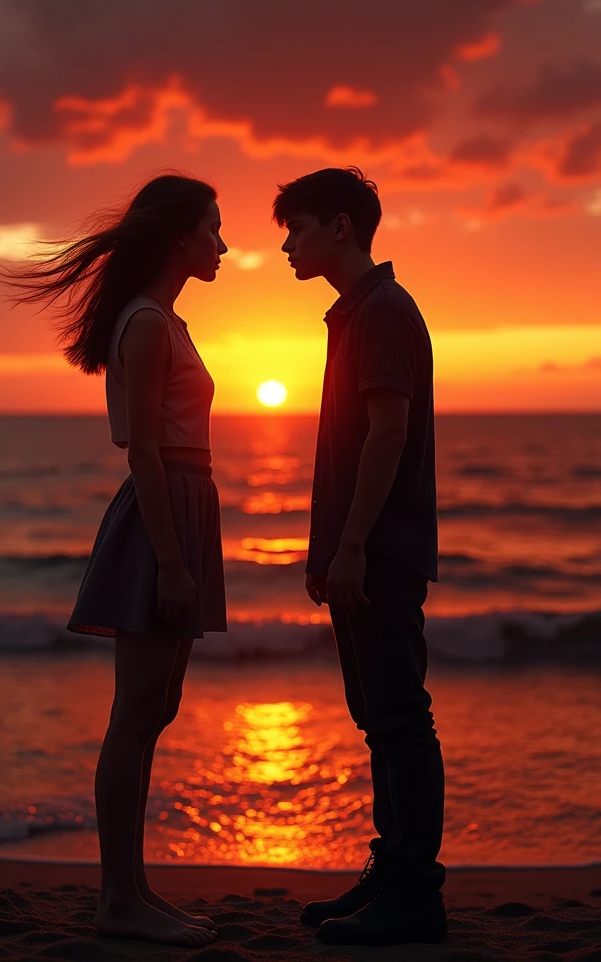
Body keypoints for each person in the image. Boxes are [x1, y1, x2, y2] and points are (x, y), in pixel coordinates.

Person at [2, 173, 227, 948]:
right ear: (179, 237)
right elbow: (146, 454)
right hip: (162, 519)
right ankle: (117, 900)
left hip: (187, 512)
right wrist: (170, 559)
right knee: (135, 715)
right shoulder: (146, 324)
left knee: (155, 712)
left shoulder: (167, 319)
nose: (223, 245)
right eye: (213, 229)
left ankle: (133, 890)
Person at [273, 167, 446, 947]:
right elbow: (348, 446)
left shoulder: (381, 311)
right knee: (378, 718)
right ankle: (393, 869)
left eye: (298, 228)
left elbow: (387, 433)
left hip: (382, 552)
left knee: (400, 718)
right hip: (358, 553)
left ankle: (415, 891)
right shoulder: (356, 312)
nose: (287, 244)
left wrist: (350, 546)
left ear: (341, 227)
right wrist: (324, 548)